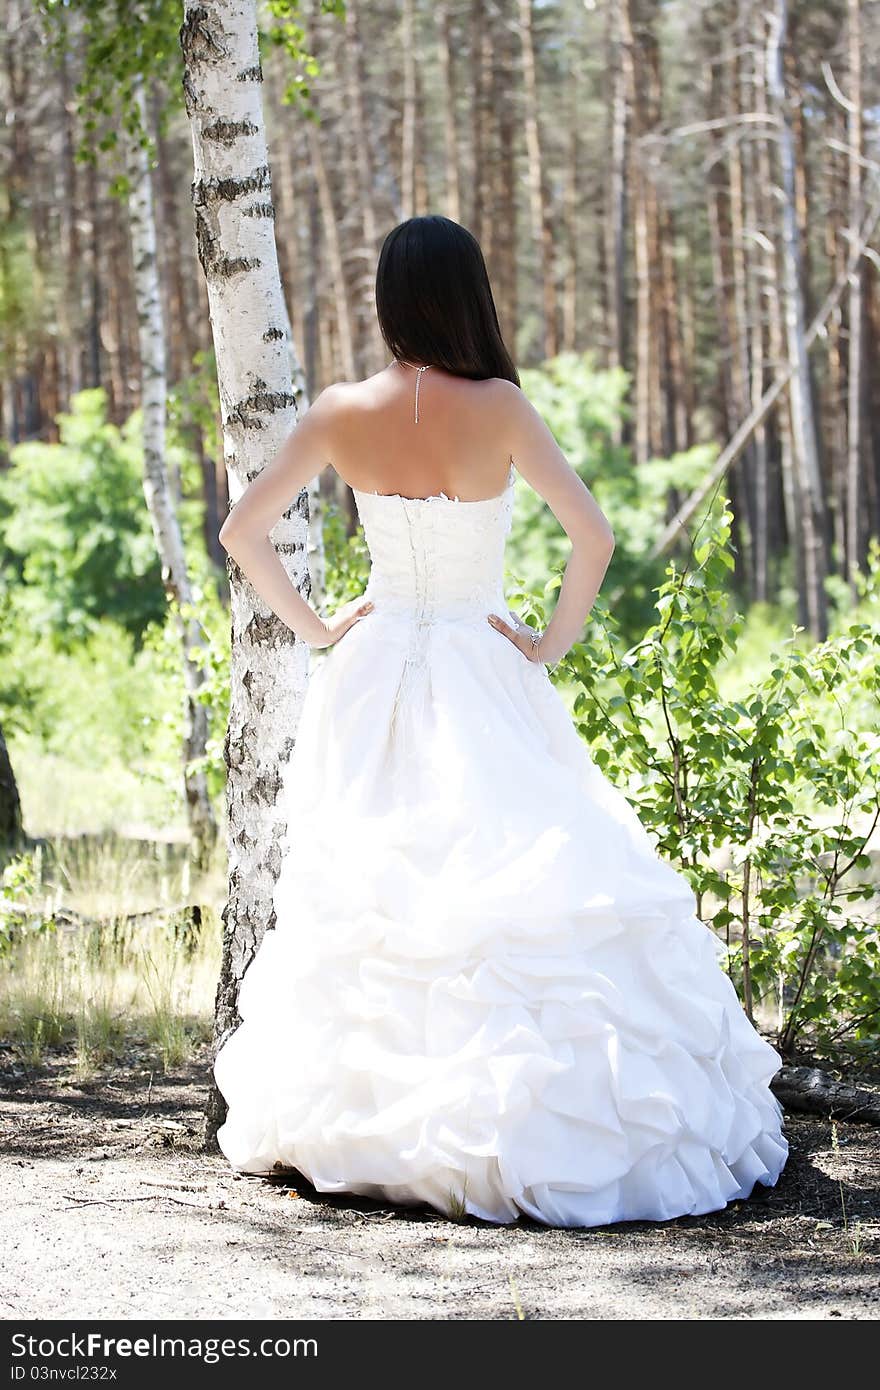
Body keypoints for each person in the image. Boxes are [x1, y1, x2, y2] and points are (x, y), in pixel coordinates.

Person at [213, 214, 787, 1227]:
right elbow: (593, 538)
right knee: (513, 874)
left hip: (375, 663)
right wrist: (546, 644)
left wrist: (317, 626)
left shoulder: (342, 410)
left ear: (391, 299)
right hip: (481, 661)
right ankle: (509, 1122)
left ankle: (363, 1128)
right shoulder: (502, 408)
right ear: (468, 295)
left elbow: (241, 530)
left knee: (383, 880)